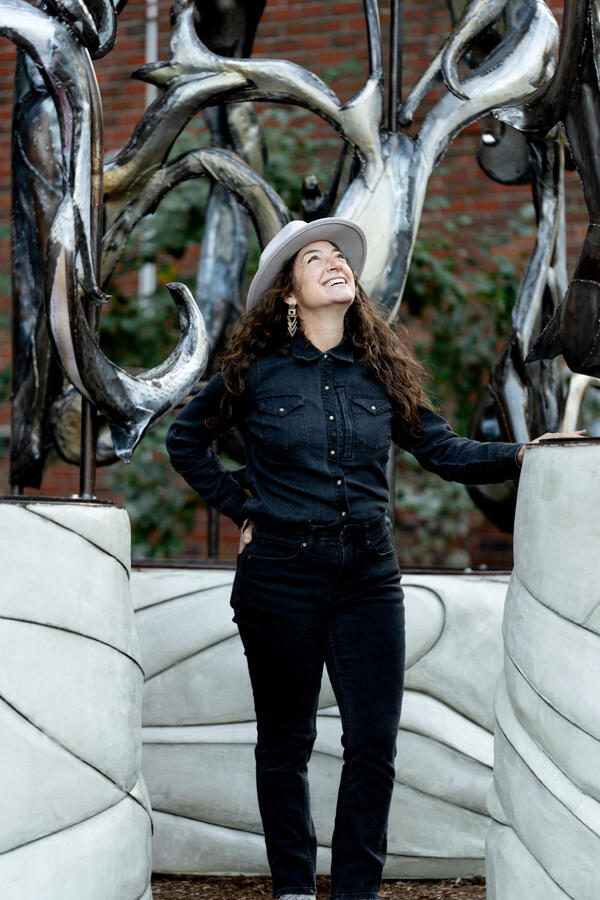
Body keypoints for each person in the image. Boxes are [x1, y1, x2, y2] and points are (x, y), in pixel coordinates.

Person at [166, 218, 584, 900]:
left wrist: (523, 451)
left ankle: (355, 892)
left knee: (372, 747)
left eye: (341, 257)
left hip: (368, 580)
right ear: (289, 296)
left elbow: (444, 451)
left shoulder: (380, 371)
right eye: (315, 258)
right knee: (285, 745)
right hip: (280, 578)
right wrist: (243, 506)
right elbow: (185, 442)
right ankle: (296, 889)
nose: (335, 263)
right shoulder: (253, 373)